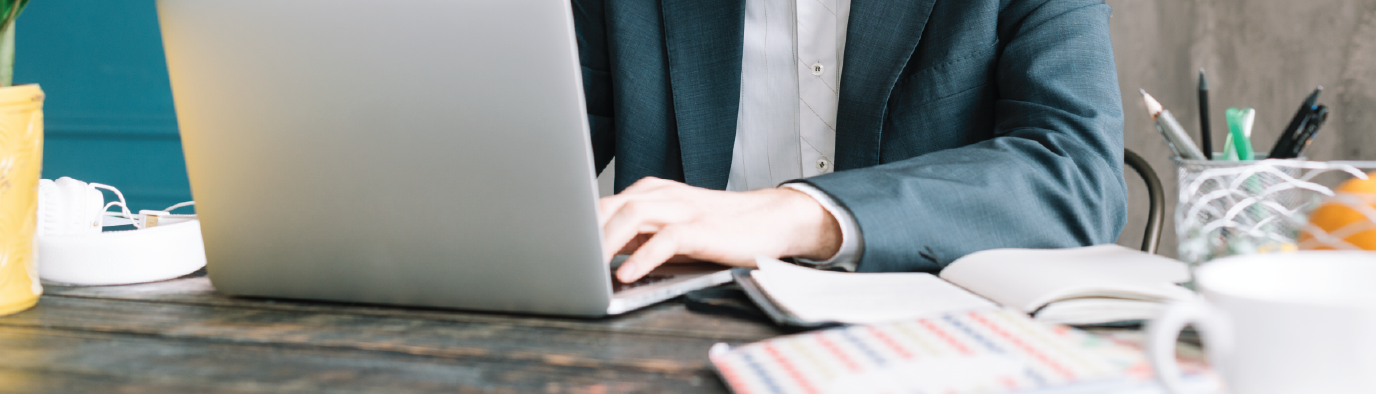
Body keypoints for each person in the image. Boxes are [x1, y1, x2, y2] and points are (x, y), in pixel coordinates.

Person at [574, 0, 1127, 283]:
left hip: (933, 342)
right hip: (668, 337)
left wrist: (793, 215)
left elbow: (1077, 175)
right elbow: (525, 156)